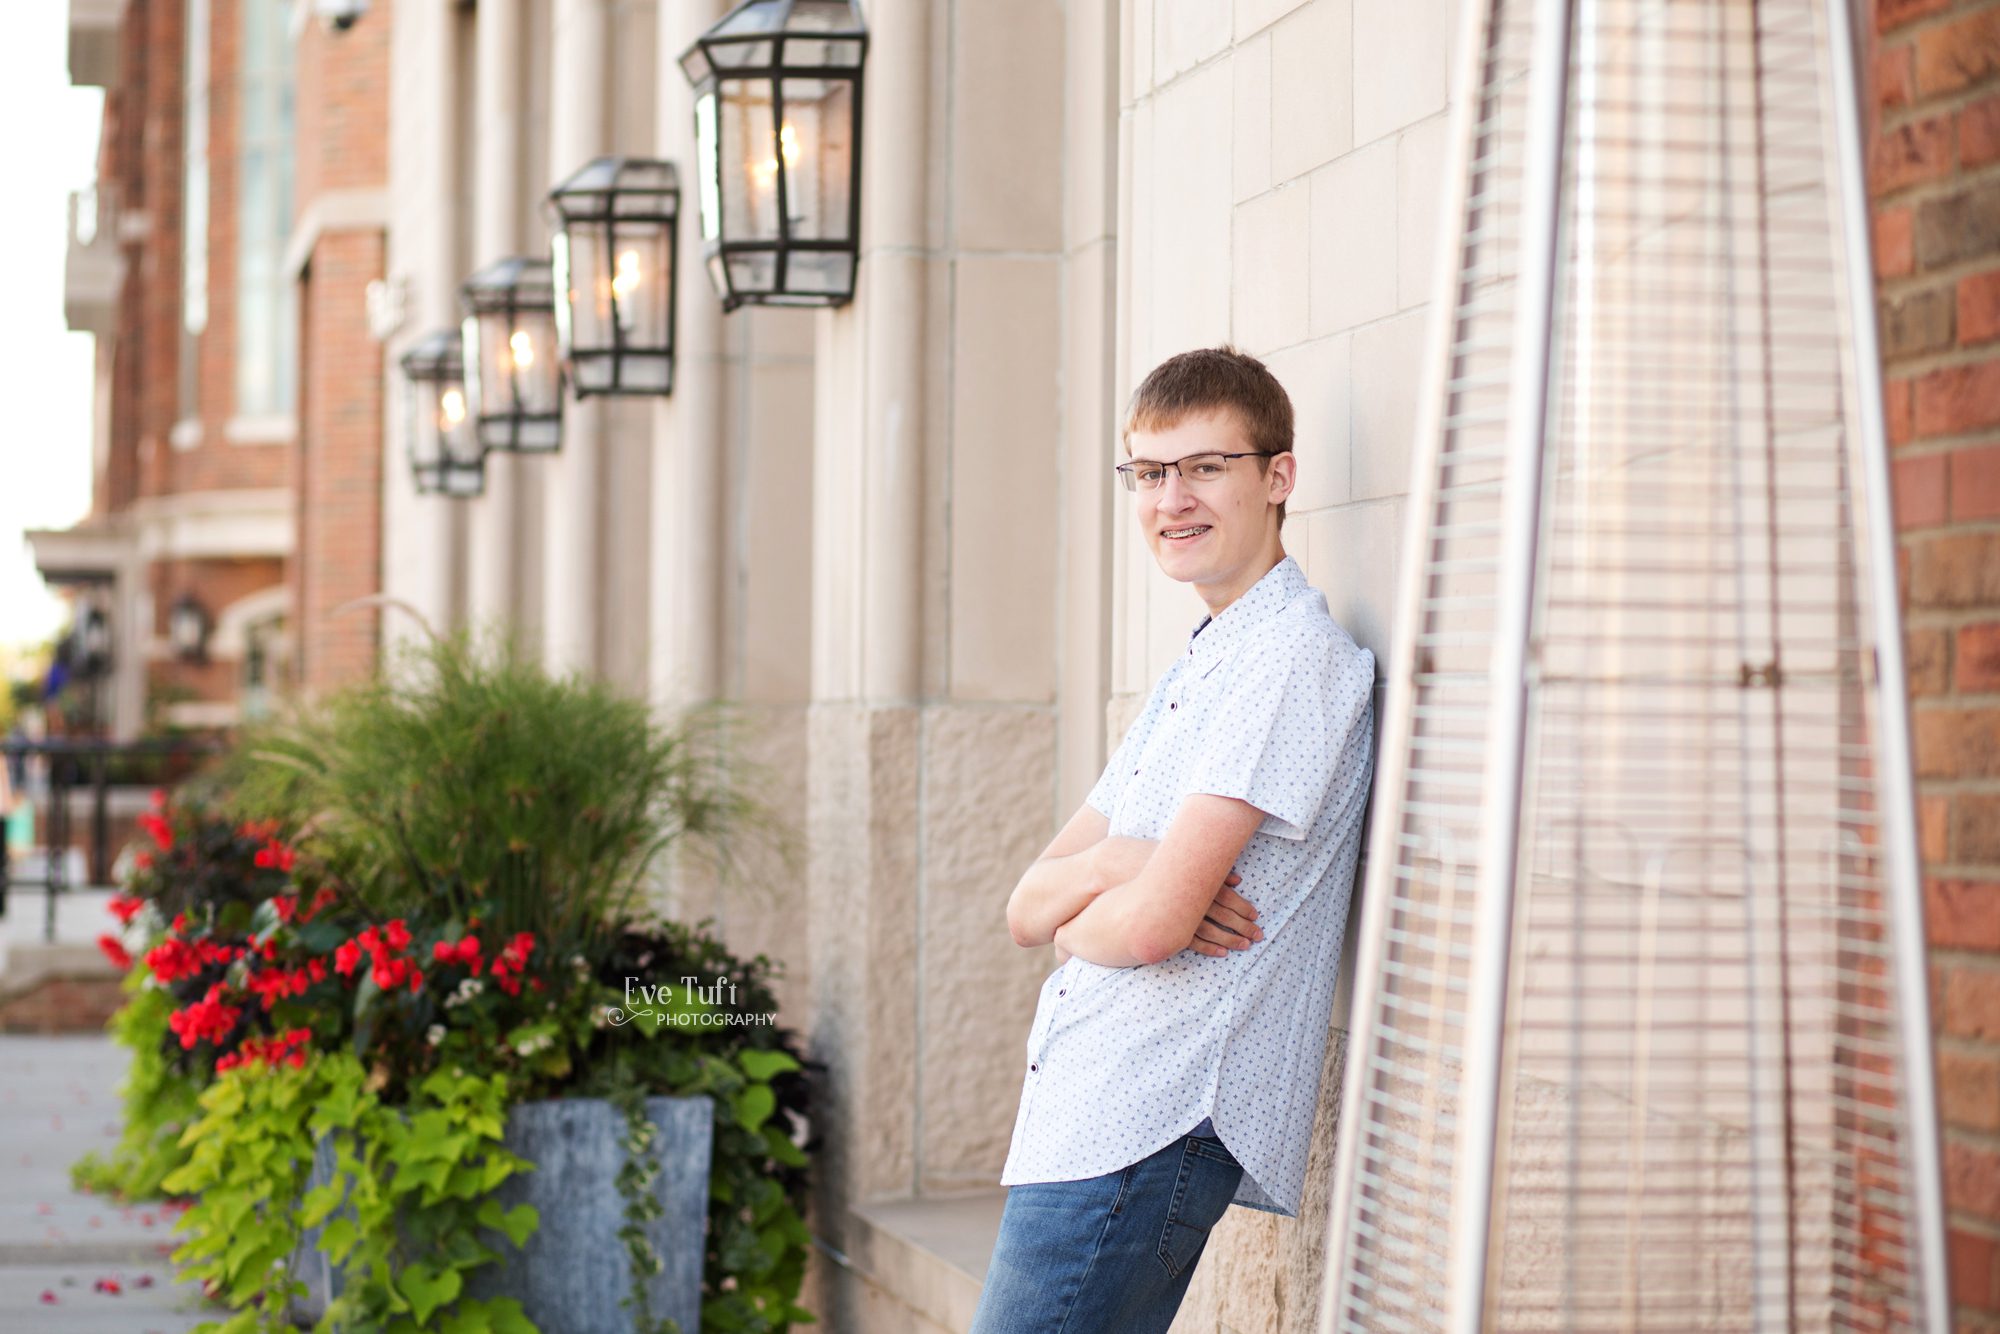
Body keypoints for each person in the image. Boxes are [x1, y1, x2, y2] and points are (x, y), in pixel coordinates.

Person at [970, 346, 1378, 1333]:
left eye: (1203, 466)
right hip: (1088, 1111)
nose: (1170, 498)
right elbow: (1026, 906)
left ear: (1276, 478)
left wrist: (1120, 888)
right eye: (1148, 472)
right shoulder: (1200, 663)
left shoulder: (1287, 659)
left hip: (1150, 1115)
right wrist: (1119, 863)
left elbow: (1153, 928)